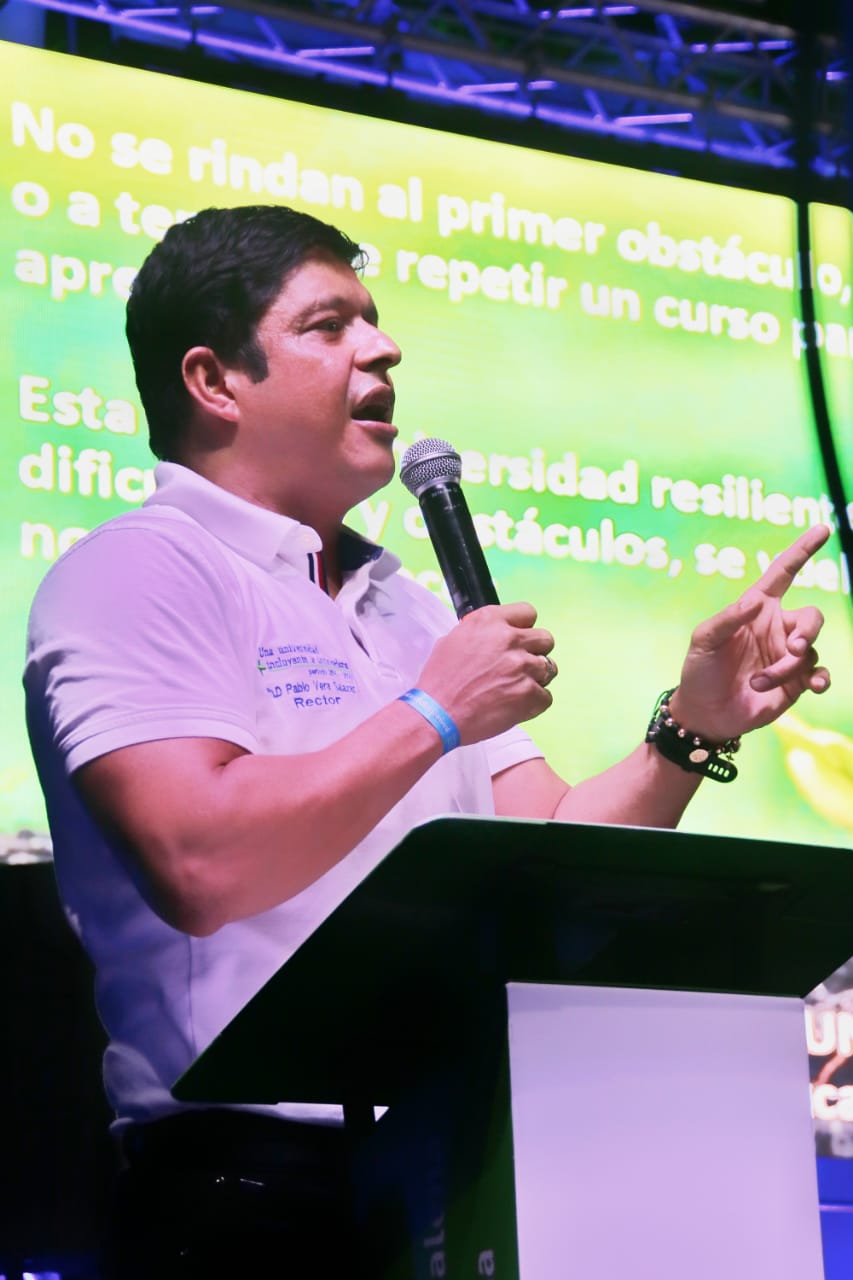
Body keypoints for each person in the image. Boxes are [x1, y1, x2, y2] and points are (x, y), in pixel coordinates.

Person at [24, 204, 831, 1277]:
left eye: (375, 320)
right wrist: (433, 712)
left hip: (455, 1163)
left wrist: (689, 729)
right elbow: (199, 856)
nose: (383, 345)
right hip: (245, 1194)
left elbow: (546, 835)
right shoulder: (134, 572)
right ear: (214, 381)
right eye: (329, 325)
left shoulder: (397, 598)